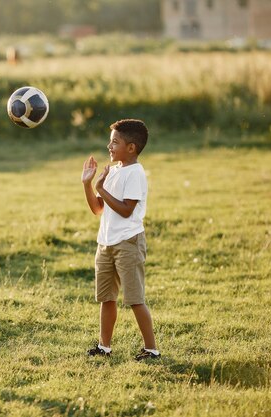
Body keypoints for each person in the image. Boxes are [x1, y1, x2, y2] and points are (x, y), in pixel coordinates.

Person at [80, 119, 160, 361]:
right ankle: (104, 347)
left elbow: (126, 210)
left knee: (135, 299)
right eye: (110, 141)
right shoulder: (112, 172)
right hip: (106, 243)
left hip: (128, 243)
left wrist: (102, 188)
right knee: (107, 298)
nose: (109, 146)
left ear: (131, 147)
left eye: (115, 142)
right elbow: (98, 209)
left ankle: (151, 349)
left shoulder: (135, 173)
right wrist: (88, 184)